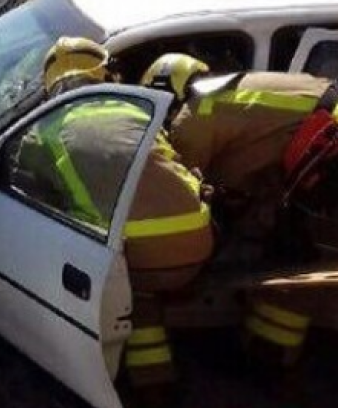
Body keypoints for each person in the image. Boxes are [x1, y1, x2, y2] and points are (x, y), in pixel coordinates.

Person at [26, 38, 214, 390]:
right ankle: (160, 378)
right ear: (107, 74)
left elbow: (21, 179)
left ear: (51, 84)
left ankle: (150, 383)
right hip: (198, 240)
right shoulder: (137, 108)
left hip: (139, 257)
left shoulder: (45, 131)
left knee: (132, 287)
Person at [148, 56, 338, 368]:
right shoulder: (230, 92)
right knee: (299, 253)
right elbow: (268, 150)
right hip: (321, 147)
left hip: (326, 154)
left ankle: (269, 359)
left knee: (301, 255)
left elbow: (182, 192)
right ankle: (270, 354)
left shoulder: (191, 117)